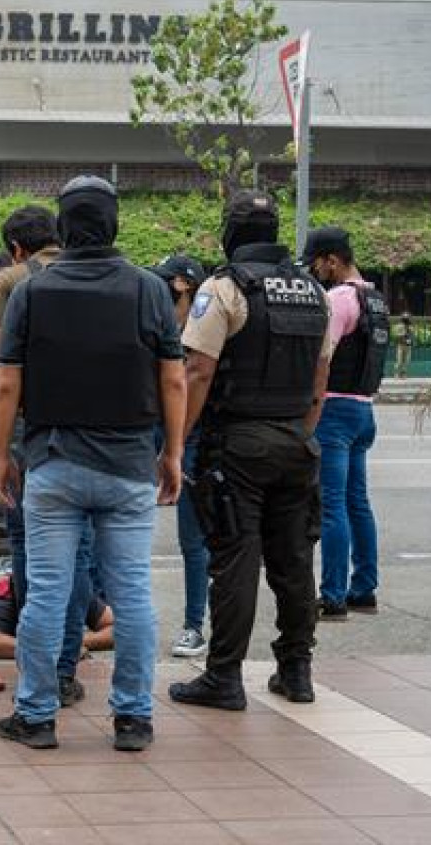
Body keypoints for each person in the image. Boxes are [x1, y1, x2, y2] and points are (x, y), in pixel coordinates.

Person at [0, 176, 186, 753]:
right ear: (114, 223)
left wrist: (2, 455)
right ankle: (132, 717)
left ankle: (36, 714)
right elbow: (172, 376)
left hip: (53, 461)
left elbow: (7, 383)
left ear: (64, 226)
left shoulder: (32, 289)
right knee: (131, 594)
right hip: (128, 463)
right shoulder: (149, 289)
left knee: (47, 594)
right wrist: (172, 451)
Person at [169, 191, 333, 712]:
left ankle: (223, 677)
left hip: (237, 444)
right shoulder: (313, 291)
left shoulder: (224, 288)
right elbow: (320, 378)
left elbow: (198, 370)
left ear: (231, 233)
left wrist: (176, 444)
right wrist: (301, 431)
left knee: (236, 560)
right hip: (296, 442)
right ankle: (296, 671)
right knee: (294, 560)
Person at [0, 208, 92, 707]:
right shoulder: (98, 274)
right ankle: (67, 664)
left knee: (31, 549)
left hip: (29, 434)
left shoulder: (13, 280)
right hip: (96, 433)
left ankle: (43, 670)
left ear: (15, 247)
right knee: (80, 555)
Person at [304, 227, 390, 620]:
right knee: (358, 502)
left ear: (332, 260)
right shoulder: (375, 298)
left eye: (317, 263)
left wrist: (311, 413)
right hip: (363, 410)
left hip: (335, 410)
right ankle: (364, 588)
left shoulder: (338, 299)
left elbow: (322, 360)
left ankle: (334, 595)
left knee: (332, 505)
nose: (315, 270)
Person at [150, 255, 214, 659]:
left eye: (163, 283)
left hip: (191, 439)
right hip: (151, 433)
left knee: (193, 539)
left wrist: (176, 444)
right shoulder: (158, 325)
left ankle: (195, 625)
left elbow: (196, 381)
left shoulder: (205, 328)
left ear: (182, 285)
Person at [0, 572, 113, 660]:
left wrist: (75, 642)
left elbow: (119, 628)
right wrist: (52, 650)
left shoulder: (74, 588)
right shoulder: (6, 598)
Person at [394, 312, 413, 379]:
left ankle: (403, 374)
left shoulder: (410, 326)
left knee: (406, 361)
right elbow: (396, 335)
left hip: (408, 345)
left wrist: (410, 339)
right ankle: (397, 373)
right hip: (401, 345)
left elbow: (411, 335)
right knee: (399, 360)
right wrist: (403, 335)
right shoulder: (399, 326)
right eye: (406, 318)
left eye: (408, 318)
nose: (407, 319)